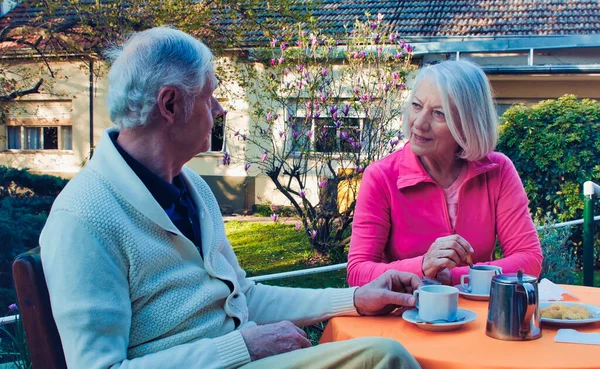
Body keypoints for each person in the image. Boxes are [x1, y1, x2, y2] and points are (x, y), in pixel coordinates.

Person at [39, 27, 423, 369]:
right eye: (210, 98)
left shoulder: (193, 187)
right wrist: (240, 347)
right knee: (384, 358)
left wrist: (357, 298)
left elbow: (243, 296)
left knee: (385, 351)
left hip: (243, 355)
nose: (219, 111)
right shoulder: (84, 216)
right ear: (170, 104)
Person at [347, 60, 543, 287]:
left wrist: (455, 277)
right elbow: (357, 274)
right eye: (417, 106)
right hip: (404, 316)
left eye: (439, 114)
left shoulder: (498, 171)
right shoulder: (380, 177)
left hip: (479, 316)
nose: (419, 124)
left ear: (468, 123)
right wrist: (423, 266)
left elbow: (529, 260)